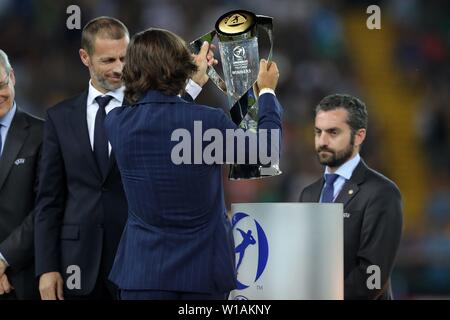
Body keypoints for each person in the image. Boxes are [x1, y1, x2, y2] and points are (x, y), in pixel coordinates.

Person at [34, 17, 215, 300]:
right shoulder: (59, 118)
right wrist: (46, 267)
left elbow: (170, 124)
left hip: (143, 264)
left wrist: (192, 85)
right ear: (85, 57)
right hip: (77, 264)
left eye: (124, 58)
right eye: (108, 60)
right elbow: (49, 200)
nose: (119, 68)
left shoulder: (147, 111)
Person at [104, 28, 283, 300]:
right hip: (202, 277)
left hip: (142, 276)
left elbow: (162, 122)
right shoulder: (208, 123)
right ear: (180, 68)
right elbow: (265, 152)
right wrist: (267, 91)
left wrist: (190, 87)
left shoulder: (116, 122)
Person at [299, 94, 403, 299]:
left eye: (333, 132)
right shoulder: (308, 194)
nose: (322, 140)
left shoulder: (382, 192)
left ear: (359, 136)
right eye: (318, 132)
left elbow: (374, 274)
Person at [0, 49, 43, 300]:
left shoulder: (44, 135)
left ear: (13, 77)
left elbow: (47, 207)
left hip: (23, 280)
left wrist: (3, 259)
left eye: (1, 84)